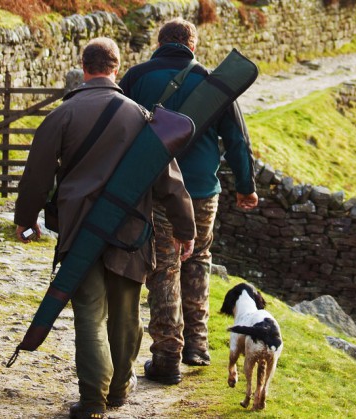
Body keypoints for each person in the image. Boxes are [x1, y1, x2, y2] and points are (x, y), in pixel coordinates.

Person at [13, 37, 196, 419]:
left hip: (80, 230)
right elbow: (170, 181)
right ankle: (118, 390)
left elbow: (36, 177)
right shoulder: (142, 117)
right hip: (130, 232)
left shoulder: (62, 115)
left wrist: (25, 220)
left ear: (84, 67)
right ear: (117, 67)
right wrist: (186, 229)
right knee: (126, 314)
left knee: (88, 313)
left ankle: (93, 399)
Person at [118, 17, 259, 384]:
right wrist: (246, 187)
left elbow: (117, 128)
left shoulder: (135, 78)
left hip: (157, 188)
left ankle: (167, 356)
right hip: (201, 191)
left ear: (159, 42)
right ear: (192, 45)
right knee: (198, 259)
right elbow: (238, 141)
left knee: (164, 266)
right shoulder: (213, 83)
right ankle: (196, 346)